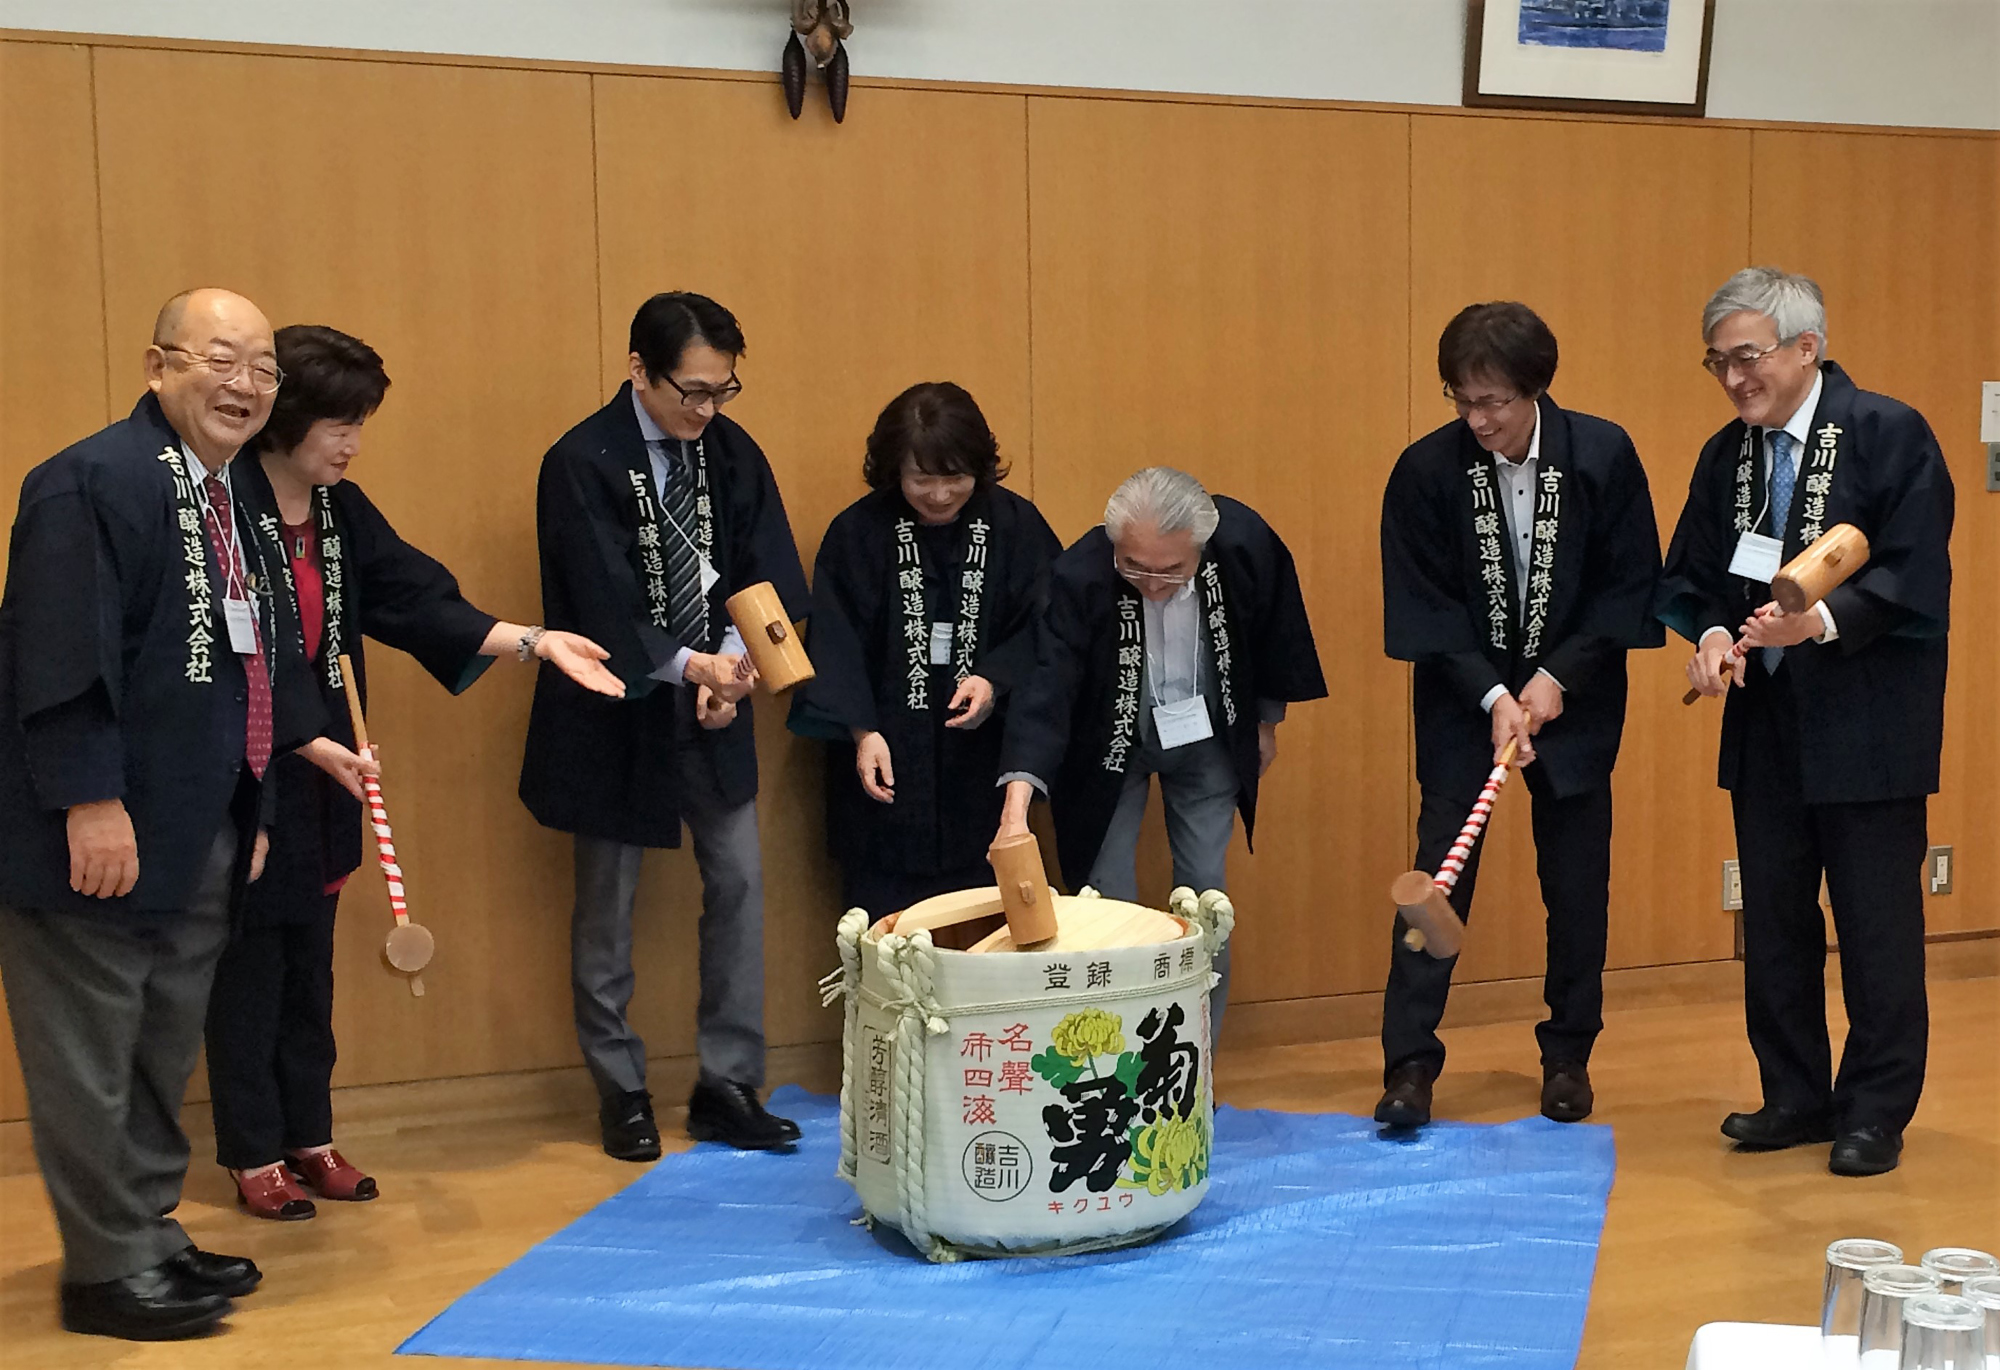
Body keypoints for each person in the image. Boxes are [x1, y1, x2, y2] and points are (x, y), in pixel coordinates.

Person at [203, 325, 624, 1221]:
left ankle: (308, 1134)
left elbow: (418, 599)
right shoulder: (218, 509)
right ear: (287, 418)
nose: (353, 443)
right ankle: (251, 1149)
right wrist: (296, 738)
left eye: (360, 424)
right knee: (249, 973)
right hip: (244, 774)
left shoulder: (339, 512)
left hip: (328, 774)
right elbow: (212, 660)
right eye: (340, 424)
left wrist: (535, 641)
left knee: (309, 969)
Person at [0, 289, 355, 1340]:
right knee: (91, 1055)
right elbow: (57, 655)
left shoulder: (229, 492)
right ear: (159, 366)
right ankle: (105, 1268)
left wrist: (257, 803)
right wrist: (88, 798)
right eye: (219, 360)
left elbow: (257, 661)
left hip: (203, 821)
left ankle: (147, 1231)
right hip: (98, 828)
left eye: (262, 369)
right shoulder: (89, 480)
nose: (244, 385)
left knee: (158, 1046)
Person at [1659, 267, 1952, 1178]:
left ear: (1806, 348)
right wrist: (1713, 637)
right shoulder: (1727, 457)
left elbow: (1914, 571)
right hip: (1768, 725)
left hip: (1869, 725)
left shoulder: (1887, 432)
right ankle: (1793, 1095)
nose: (1732, 378)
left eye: (1746, 357)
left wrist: (1817, 621)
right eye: (1717, 363)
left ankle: (1874, 1112)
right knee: (1776, 922)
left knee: (1875, 926)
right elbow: (1694, 574)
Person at [520, 292, 810, 1158]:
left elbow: (765, 573)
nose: (708, 409)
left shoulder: (732, 451)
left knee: (740, 886)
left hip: (716, 711)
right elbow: (595, 597)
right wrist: (692, 668)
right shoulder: (583, 459)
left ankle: (729, 1083)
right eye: (693, 391)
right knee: (607, 908)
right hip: (616, 709)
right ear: (639, 370)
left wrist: (736, 666)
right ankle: (620, 1088)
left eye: (724, 390)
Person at [1375, 302, 1662, 1131]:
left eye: (1494, 401)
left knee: (1576, 885)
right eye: (1462, 399)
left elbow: (1626, 585)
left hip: (1574, 700)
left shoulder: (1601, 455)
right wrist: (1495, 695)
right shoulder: (1427, 471)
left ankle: (1569, 1055)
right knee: (1440, 877)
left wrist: (1555, 679)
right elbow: (1425, 605)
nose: (1478, 419)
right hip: (1464, 704)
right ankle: (1409, 1064)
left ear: (1535, 388)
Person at [995, 467, 1325, 1035]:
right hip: (1108, 747)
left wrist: (1267, 723)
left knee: (1206, 901)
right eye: (1134, 566)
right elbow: (1046, 688)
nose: (1151, 582)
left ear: (1200, 544)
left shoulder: (1241, 543)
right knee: (1105, 905)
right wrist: (1015, 809)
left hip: (1207, 735)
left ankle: (1197, 1055)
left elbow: (1278, 630)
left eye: (1171, 569)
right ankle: (1115, 1050)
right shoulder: (1081, 572)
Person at [788, 382, 1060, 916]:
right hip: (885, 760)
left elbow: (1050, 624)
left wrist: (995, 678)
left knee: (983, 930)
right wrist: (862, 732)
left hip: (981, 764)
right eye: (922, 479)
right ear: (894, 470)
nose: (939, 495)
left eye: (955, 477)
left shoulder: (1015, 526)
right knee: (886, 931)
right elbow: (835, 643)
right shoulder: (857, 533)